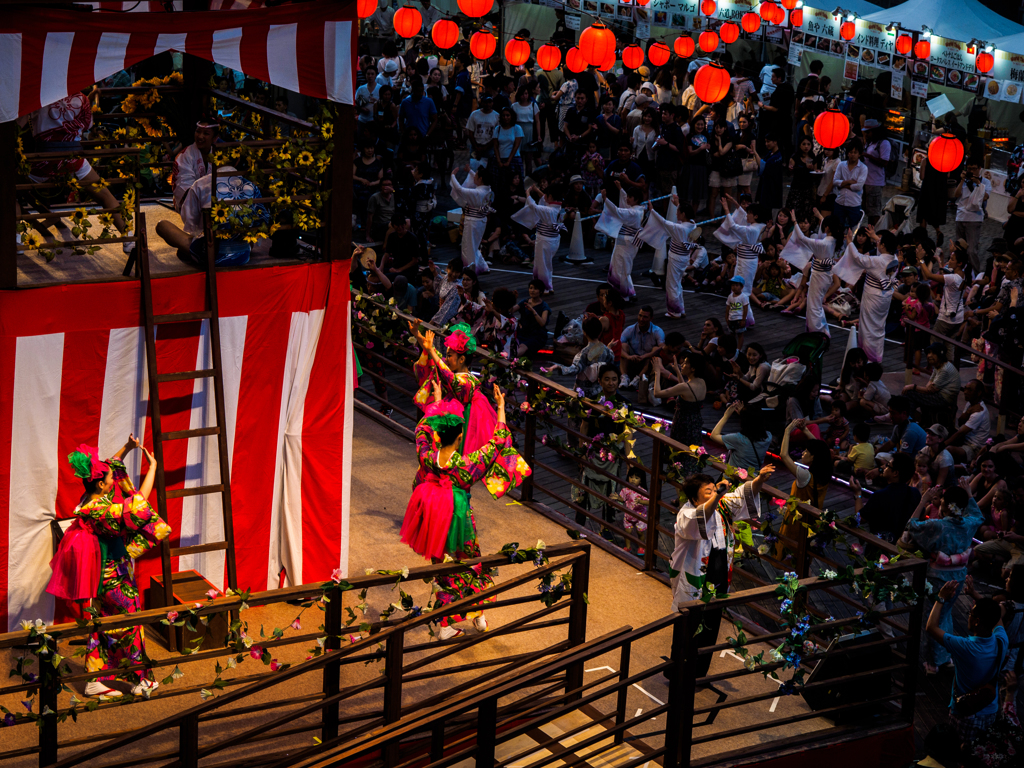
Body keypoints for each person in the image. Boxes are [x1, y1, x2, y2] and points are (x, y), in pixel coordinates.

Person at [402, 383, 528, 640]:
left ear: (438, 434)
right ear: (460, 437)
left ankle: (447, 624)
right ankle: (478, 613)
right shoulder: (467, 466)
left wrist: (437, 404)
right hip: (459, 518)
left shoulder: (427, 456)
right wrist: (501, 407)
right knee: (474, 564)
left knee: (444, 567)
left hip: (434, 517)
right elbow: (498, 441)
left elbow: (421, 430)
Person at [47, 437, 169, 698]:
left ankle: (94, 678)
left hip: (101, 574)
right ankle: (142, 680)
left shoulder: (88, 499)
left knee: (101, 623)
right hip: (114, 577)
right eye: (110, 480)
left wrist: (127, 447)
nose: (114, 482)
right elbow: (139, 506)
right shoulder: (101, 510)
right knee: (131, 623)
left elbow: (108, 468)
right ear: (101, 484)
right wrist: (154, 469)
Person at [671, 465, 776, 677]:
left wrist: (759, 481)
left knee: (711, 625)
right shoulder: (687, 514)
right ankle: (677, 671)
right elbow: (703, 515)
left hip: (719, 575)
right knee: (688, 626)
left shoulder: (722, 505)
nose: (714, 493)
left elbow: (740, 496)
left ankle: (699, 672)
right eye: (708, 491)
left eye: (714, 488)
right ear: (694, 498)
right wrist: (717, 496)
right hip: (695, 579)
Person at [903, 480, 985, 674]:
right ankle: (945, 656)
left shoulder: (937, 525)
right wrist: (969, 495)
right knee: (945, 616)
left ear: (945, 506)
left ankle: (934, 662)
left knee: (932, 619)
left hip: (938, 578)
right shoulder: (968, 524)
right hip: (958, 576)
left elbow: (911, 525)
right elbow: (978, 516)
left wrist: (923, 500)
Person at [927, 580, 1008, 743]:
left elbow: (931, 627)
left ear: (977, 621)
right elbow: (996, 617)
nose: (968, 616)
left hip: (966, 713)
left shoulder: (965, 647)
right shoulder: (1001, 640)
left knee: (963, 754)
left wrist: (940, 599)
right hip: (990, 710)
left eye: (970, 613)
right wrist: (976, 595)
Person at [154, 165, 269, 268]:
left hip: (212, 254)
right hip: (244, 254)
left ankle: (195, 252)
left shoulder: (201, 184)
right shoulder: (251, 185)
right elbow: (261, 222)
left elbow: (191, 225)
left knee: (162, 225)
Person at [832, 225, 899, 362]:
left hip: (873, 296)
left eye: (880, 241)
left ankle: (869, 359)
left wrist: (850, 242)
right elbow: (882, 252)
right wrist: (875, 237)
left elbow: (858, 258)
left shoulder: (877, 261)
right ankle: (876, 357)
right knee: (878, 328)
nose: (877, 242)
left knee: (868, 328)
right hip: (885, 296)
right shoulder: (895, 259)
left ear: (884, 245)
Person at [716, 194, 769, 327]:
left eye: (749, 213)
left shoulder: (751, 229)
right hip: (745, 261)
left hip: (747, 263)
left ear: (755, 216)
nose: (746, 215)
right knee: (744, 290)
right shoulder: (759, 225)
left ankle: (741, 319)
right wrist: (735, 203)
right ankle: (748, 320)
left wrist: (726, 209)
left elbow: (733, 226)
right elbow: (741, 218)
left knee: (742, 291)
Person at [642, 197, 699, 319]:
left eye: (678, 212)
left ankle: (675, 311)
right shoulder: (692, 224)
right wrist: (678, 204)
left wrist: (652, 211)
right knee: (677, 283)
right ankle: (680, 308)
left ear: (683, 214)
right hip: (684, 257)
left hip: (676, 258)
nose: (676, 213)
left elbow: (663, 222)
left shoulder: (680, 228)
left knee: (672, 284)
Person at [788, 211, 842, 336]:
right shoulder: (833, 240)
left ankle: (817, 333)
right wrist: (820, 217)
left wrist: (795, 221)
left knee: (814, 306)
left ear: (827, 227)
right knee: (816, 304)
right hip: (825, 276)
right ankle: (822, 331)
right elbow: (822, 233)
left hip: (819, 276)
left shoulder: (823, 243)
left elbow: (802, 238)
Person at [653, 352, 707, 474]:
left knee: (679, 453)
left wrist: (657, 372)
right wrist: (678, 371)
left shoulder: (685, 387)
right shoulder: (702, 382)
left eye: (685, 363)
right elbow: (686, 388)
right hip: (695, 422)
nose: (682, 364)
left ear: (693, 368)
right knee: (691, 453)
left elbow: (657, 393)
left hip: (683, 424)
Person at [850, 452, 920, 543]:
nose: (884, 468)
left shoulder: (880, 495)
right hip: (902, 547)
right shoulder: (915, 493)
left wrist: (858, 494)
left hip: (880, 547)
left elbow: (860, 519)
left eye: (887, 466)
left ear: (895, 473)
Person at [597, 181, 647, 302]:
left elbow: (618, 211)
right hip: (627, 241)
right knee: (623, 267)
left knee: (621, 268)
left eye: (630, 197)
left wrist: (605, 198)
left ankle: (623, 295)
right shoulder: (639, 209)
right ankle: (629, 291)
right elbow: (625, 204)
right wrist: (620, 188)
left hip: (626, 242)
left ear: (636, 199)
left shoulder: (633, 212)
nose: (627, 199)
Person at [542, 316, 615, 396]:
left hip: (583, 393)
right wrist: (609, 347)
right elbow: (609, 360)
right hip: (599, 392)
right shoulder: (607, 351)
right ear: (600, 331)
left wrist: (557, 366)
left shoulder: (584, 353)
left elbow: (574, 369)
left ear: (584, 332)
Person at [919, 246, 968, 365]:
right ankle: (948, 369)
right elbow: (943, 274)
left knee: (935, 341)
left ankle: (936, 368)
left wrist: (921, 260)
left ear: (960, 263)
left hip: (946, 317)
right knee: (949, 344)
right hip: (958, 316)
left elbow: (929, 276)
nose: (949, 261)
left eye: (952, 259)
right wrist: (940, 261)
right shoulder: (962, 274)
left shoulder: (953, 278)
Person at [512, 184, 564, 294]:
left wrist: (528, 193)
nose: (544, 196)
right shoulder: (558, 207)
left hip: (545, 240)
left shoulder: (549, 210)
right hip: (553, 239)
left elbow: (533, 206)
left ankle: (543, 287)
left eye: (546, 195)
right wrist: (537, 190)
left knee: (542, 265)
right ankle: (548, 285)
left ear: (550, 197)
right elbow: (545, 200)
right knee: (546, 264)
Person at [902, 344, 961, 427]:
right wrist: (928, 388)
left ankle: (907, 423)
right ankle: (909, 421)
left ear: (940, 355)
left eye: (933, 353)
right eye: (929, 353)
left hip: (943, 398)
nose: (929, 355)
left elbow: (930, 389)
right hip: (938, 395)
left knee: (909, 393)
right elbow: (929, 386)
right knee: (911, 396)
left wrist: (913, 386)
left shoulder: (944, 370)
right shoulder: (938, 366)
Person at [449, 164, 492, 276]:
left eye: (476, 176)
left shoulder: (478, 192)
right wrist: (470, 171)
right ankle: (483, 266)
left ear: (481, 178)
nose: (474, 177)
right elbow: (479, 179)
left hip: (473, 222)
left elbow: (459, 189)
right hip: (481, 221)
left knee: (468, 248)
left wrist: (452, 176)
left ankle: (469, 273)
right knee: (474, 245)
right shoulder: (488, 190)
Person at [171, 119, 219, 211]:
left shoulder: (220, 154)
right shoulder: (184, 156)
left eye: (206, 133)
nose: (200, 136)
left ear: (215, 138)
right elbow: (183, 186)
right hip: (191, 204)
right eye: (198, 132)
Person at [708, 402, 771, 472]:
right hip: (753, 479)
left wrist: (726, 416)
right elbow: (753, 423)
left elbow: (714, 435)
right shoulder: (768, 437)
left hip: (735, 478)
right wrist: (744, 415)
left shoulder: (738, 439)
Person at [954, 160, 992, 274]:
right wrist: (962, 180)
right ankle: (959, 274)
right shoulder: (964, 180)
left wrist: (978, 184)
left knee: (971, 251)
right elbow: (956, 195)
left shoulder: (985, 182)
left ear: (979, 168)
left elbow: (985, 197)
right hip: (960, 217)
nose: (971, 171)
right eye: (969, 168)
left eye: (974, 168)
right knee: (959, 249)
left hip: (974, 219)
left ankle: (976, 275)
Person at [619, 306, 665, 394]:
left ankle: (638, 378)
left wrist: (645, 356)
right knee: (623, 346)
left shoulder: (657, 331)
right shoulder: (630, 329)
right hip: (632, 360)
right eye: (640, 316)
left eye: (645, 317)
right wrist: (628, 356)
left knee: (655, 349)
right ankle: (624, 376)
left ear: (651, 318)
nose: (641, 319)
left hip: (647, 362)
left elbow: (661, 347)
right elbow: (617, 346)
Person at [943, 379, 990, 464]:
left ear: (979, 393)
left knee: (948, 450)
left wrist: (942, 445)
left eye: (970, 390)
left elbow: (961, 432)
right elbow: (960, 422)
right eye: (965, 389)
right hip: (964, 440)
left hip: (973, 447)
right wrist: (968, 412)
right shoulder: (970, 404)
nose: (965, 392)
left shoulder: (979, 412)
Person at [832, 139, 868, 234]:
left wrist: (843, 185)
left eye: (855, 152)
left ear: (859, 154)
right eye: (851, 152)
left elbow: (858, 187)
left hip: (854, 203)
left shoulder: (863, 168)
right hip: (840, 201)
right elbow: (835, 181)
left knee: (853, 230)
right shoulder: (841, 165)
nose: (852, 154)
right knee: (837, 229)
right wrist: (849, 182)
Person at [861, 119, 891, 225]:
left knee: (874, 212)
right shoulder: (870, 143)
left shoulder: (884, 143)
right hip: (866, 181)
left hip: (875, 183)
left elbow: (884, 162)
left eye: (868, 132)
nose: (866, 134)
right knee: (868, 210)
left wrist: (867, 156)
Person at [513, 280, 551, 358]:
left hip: (536, 334)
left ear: (540, 291)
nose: (532, 290)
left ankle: (510, 359)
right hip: (523, 332)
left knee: (523, 346)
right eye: (530, 288)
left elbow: (542, 323)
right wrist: (513, 299)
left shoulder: (544, 307)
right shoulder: (524, 302)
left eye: (535, 289)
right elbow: (511, 310)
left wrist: (533, 311)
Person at [619, 467, 650, 557]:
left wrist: (640, 501)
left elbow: (648, 501)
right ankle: (628, 547)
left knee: (640, 532)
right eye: (631, 477)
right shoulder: (625, 490)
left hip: (640, 516)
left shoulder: (642, 491)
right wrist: (618, 498)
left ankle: (641, 546)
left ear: (641, 481)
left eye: (636, 478)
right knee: (627, 532)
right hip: (628, 515)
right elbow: (622, 499)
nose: (633, 480)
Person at [725, 276, 750, 347]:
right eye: (733, 285)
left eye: (736, 285)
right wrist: (727, 317)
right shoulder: (730, 296)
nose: (734, 287)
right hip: (731, 318)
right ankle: (733, 347)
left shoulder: (743, 297)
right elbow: (728, 307)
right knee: (732, 334)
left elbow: (745, 308)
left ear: (741, 287)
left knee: (740, 335)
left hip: (739, 319)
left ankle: (739, 349)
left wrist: (743, 319)